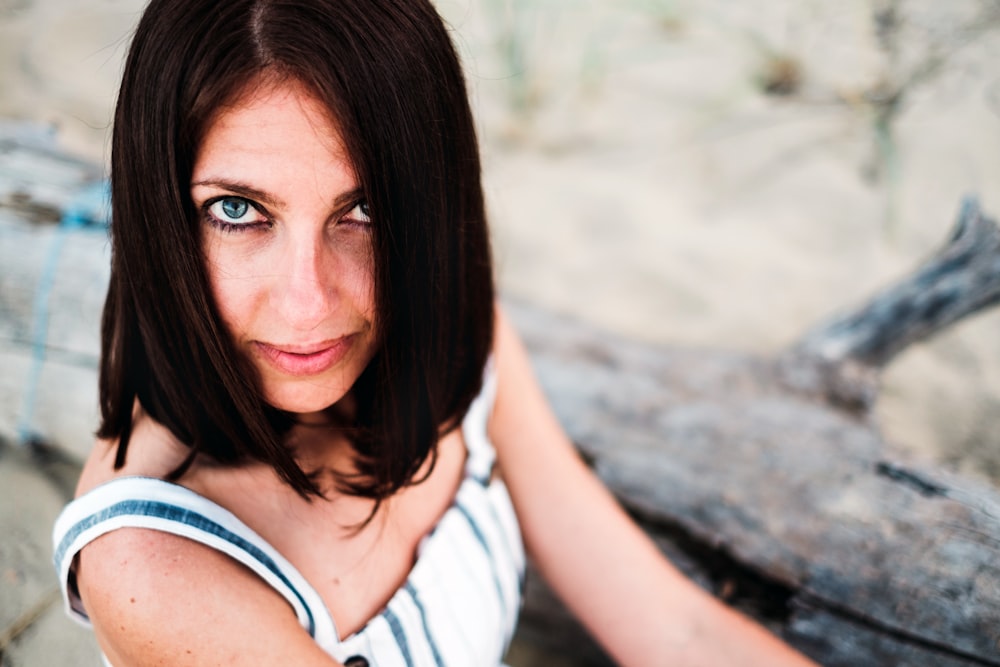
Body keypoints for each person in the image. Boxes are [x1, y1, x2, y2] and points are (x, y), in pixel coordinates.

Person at [51, 0, 818, 665]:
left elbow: (672, 627)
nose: (309, 301)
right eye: (239, 211)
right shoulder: (155, 562)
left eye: (365, 210)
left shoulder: (449, 330)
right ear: (160, 210)